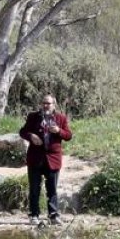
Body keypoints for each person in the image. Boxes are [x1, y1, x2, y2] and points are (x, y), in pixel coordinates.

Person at [18, 94, 73, 226]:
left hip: (53, 159)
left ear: (54, 105)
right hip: (35, 158)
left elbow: (68, 135)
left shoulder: (61, 118)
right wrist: (31, 136)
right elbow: (22, 132)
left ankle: (53, 215)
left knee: (52, 189)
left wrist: (59, 131)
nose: (45, 105)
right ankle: (34, 215)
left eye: (48, 103)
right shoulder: (33, 117)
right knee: (34, 189)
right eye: (43, 103)